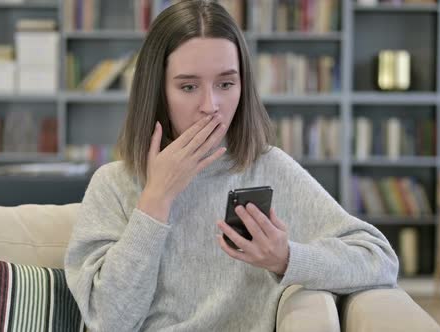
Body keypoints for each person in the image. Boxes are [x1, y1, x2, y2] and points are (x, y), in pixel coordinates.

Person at [64, 1, 399, 331]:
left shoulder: (268, 167)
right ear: (158, 91)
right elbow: (109, 321)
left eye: (225, 84)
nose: (210, 106)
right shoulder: (113, 184)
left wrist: (285, 258)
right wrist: (156, 199)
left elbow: (379, 260)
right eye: (188, 86)